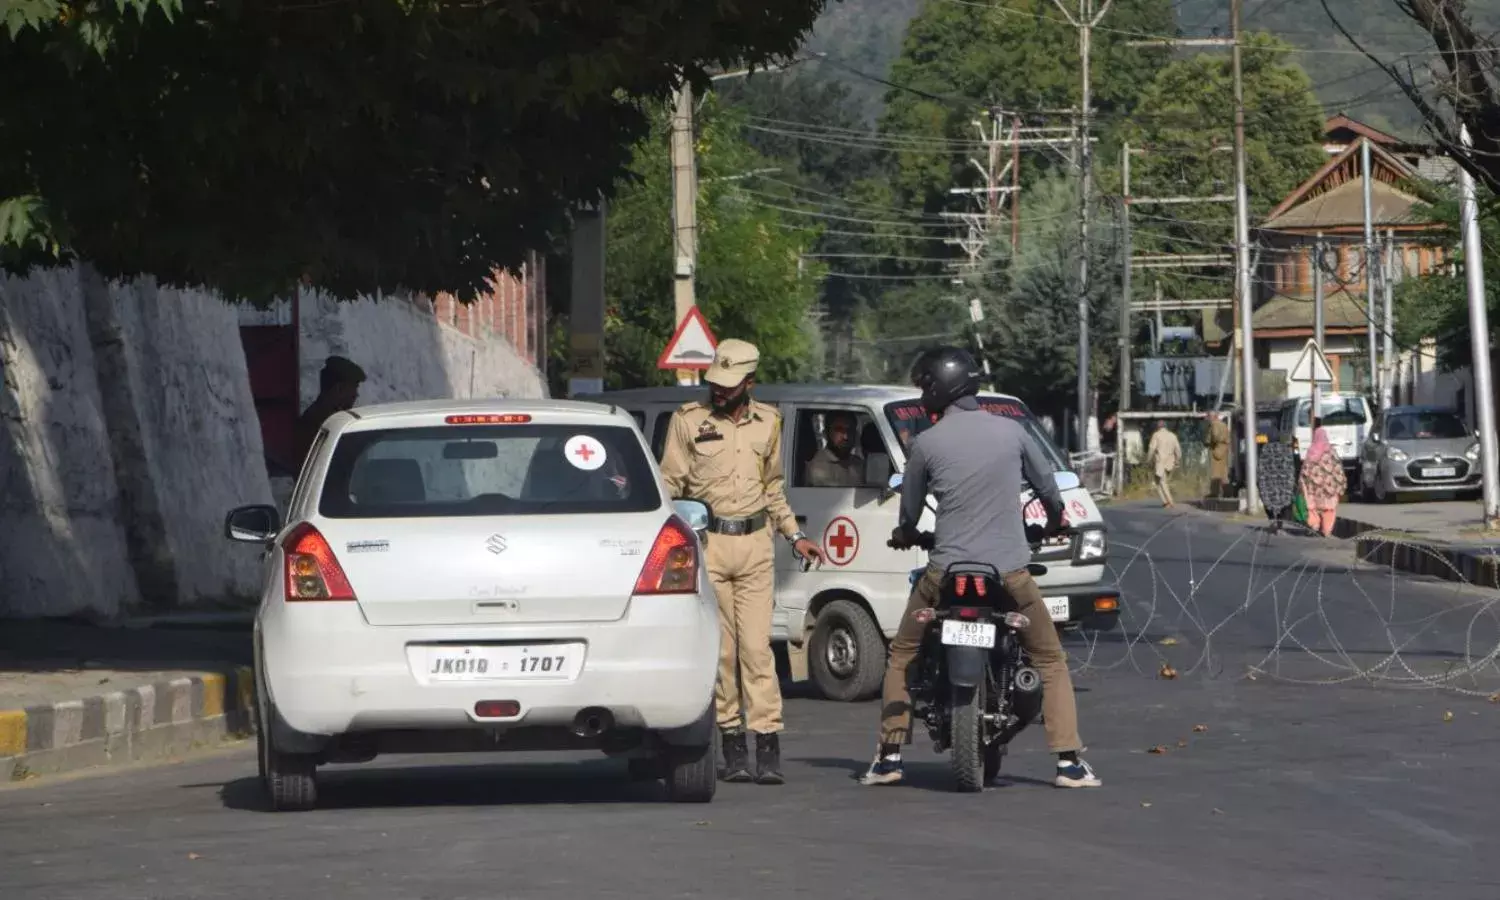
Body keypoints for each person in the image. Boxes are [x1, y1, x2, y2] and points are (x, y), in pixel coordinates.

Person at [861, 346, 1101, 790]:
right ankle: (1068, 762)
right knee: (1049, 658)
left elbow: (909, 514)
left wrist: (906, 535)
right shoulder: (1012, 431)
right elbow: (1049, 491)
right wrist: (1051, 523)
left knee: (902, 655)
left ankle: (889, 757)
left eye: (926, 386)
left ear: (940, 388)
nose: (922, 395)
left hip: (944, 575)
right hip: (1009, 572)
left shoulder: (926, 442)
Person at [658, 338, 825, 785]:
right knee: (723, 652)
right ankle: (731, 743)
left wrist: (796, 535)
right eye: (716, 381)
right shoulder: (687, 421)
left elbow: (773, 488)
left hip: (755, 546)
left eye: (730, 385)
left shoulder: (769, 422)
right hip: (708, 543)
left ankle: (766, 744)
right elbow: (669, 483)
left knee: (756, 650)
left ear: (749, 382)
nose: (720, 390)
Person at [294, 355, 366, 465]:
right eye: (353, 389)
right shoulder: (322, 424)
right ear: (339, 389)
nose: (356, 395)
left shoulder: (328, 418)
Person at [1298, 426, 1347, 537]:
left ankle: (1314, 524)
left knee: (1312, 508)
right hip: (1328, 489)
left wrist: (1302, 483)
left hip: (1314, 489)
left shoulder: (1311, 451)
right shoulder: (1331, 452)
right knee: (1329, 510)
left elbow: (1305, 469)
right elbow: (1337, 469)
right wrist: (1341, 485)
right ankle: (1326, 530)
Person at [803, 411, 865, 487]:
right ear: (826, 433)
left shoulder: (859, 464)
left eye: (850, 430)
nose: (846, 436)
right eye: (839, 430)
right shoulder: (817, 467)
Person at [1257, 437, 1297, 532]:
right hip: (1283, 482)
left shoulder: (1265, 450)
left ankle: (1272, 520)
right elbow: (1291, 467)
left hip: (1268, 482)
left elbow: (1260, 468)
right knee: (1284, 500)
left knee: (1268, 500)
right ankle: (1280, 521)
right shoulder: (1286, 450)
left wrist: (1260, 481)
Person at [1146, 419, 1181, 508]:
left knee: (1162, 481)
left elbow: (1152, 449)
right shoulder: (1173, 436)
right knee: (1158, 481)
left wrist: (1148, 460)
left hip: (1160, 461)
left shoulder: (1156, 435)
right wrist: (1177, 460)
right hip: (1170, 461)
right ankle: (1165, 502)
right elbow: (1178, 450)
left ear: (1158, 427)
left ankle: (1170, 501)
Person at [1204, 411, 1231, 499]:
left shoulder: (1214, 425)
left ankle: (1214, 493)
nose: (1207, 419)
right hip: (1224, 450)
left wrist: (1209, 442)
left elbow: (1215, 436)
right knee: (1223, 472)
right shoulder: (1223, 425)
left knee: (1215, 473)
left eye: (1208, 417)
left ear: (1212, 417)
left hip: (1217, 450)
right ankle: (1227, 492)